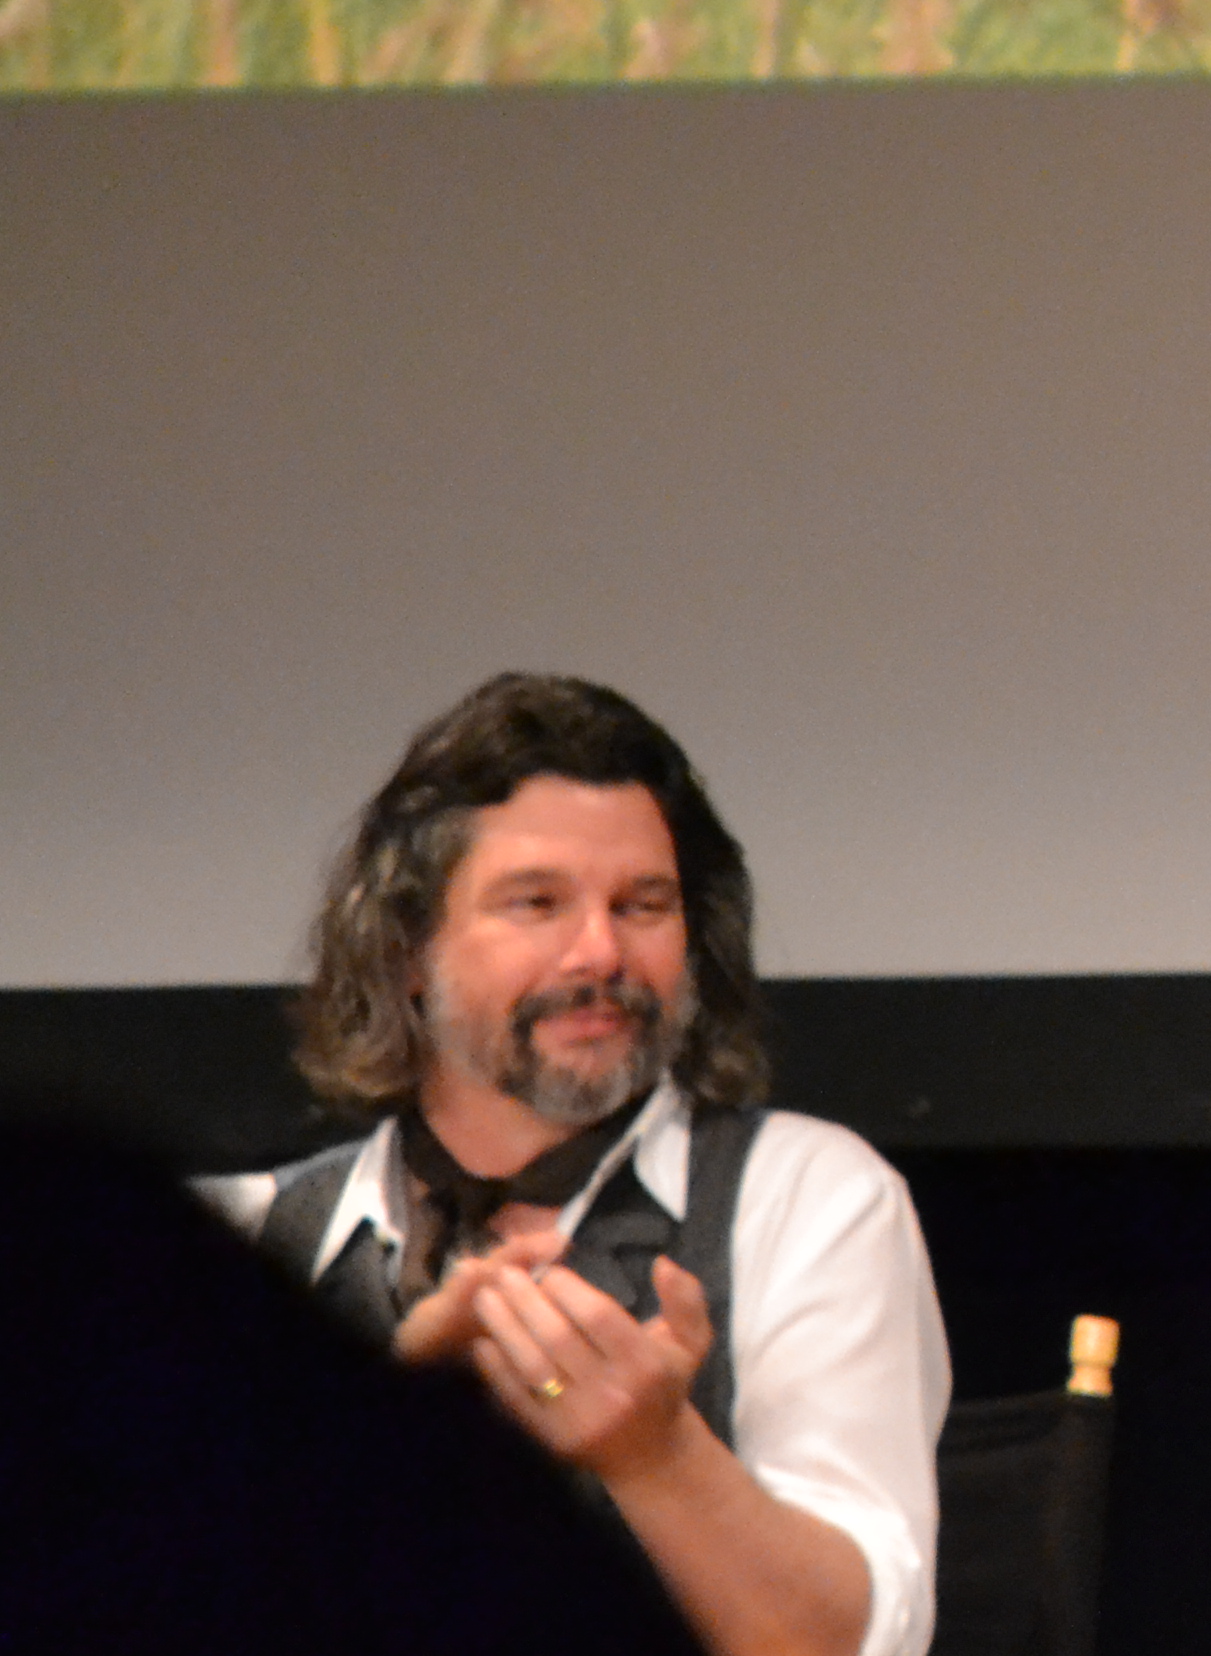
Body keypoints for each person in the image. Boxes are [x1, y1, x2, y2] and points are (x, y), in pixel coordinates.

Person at [209, 674, 951, 1656]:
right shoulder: (248, 1241)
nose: (600, 952)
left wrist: (659, 1458)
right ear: (405, 951)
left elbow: (850, 1644)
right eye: (538, 903)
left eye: (644, 904)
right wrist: (376, 1431)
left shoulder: (806, 1201)